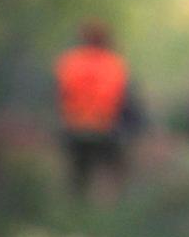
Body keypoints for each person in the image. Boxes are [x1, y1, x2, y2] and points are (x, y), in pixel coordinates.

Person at [55, 20, 142, 197]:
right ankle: (116, 210)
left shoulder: (70, 62)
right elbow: (124, 99)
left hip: (75, 126)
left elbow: (61, 93)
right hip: (106, 128)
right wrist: (135, 125)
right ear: (106, 40)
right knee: (116, 172)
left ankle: (75, 212)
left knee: (78, 174)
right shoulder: (114, 64)